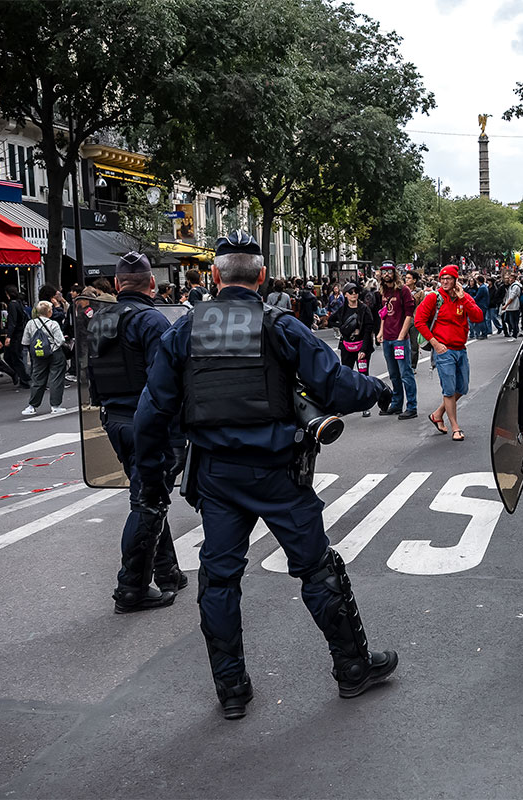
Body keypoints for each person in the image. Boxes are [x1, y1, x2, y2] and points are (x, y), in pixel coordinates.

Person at [133, 231, 397, 720]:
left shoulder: (184, 330)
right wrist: (376, 391)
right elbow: (334, 383)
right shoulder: (281, 325)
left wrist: (151, 477)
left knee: (218, 580)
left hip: (215, 478)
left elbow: (152, 411)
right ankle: (352, 667)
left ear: (213, 276)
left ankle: (231, 689)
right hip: (278, 474)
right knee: (318, 568)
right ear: (261, 276)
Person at [87, 253, 188, 614]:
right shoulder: (151, 320)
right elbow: (168, 384)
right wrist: (178, 437)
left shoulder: (100, 319)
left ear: (116, 285)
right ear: (151, 285)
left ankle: (167, 571)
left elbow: (91, 378)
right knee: (147, 502)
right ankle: (130, 586)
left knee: (151, 495)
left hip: (113, 420)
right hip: (146, 422)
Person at [415, 264, 482, 441]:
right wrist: (435, 343)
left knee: (463, 387)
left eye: (449, 278)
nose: (445, 281)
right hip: (443, 350)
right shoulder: (433, 298)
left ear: (455, 280)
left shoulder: (464, 297)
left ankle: (437, 414)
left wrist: (464, 299)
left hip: (460, 349)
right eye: (442, 278)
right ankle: (455, 427)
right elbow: (419, 321)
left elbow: (478, 317)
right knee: (449, 390)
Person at [376, 262, 418, 419]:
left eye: (389, 271)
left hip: (400, 339)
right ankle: (396, 404)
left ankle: (412, 406)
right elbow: (383, 314)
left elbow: (409, 314)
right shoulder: (383, 291)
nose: (386, 274)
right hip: (387, 339)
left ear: (395, 273)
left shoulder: (403, 290)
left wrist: (401, 335)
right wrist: (380, 332)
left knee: (405, 374)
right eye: (384, 272)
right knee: (393, 374)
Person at [329, 283, 377, 417]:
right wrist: (344, 327)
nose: (354, 294)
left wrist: (364, 349)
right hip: (347, 346)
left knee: (363, 376)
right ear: (345, 294)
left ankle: (365, 406)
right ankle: (344, 406)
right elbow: (331, 320)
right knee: (345, 376)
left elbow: (368, 329)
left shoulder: (364, 309)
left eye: (356, 291)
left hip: (362, 346)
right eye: (350, 292)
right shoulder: (342, 309)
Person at [20, 300, 68, 415]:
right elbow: (60, 340)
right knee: (56, 378)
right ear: (49, 312)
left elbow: (26, 341)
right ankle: (55, 406)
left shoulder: (30, 324)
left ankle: (32, 406)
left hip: (38, 354)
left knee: (37, 378)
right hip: (55, 353)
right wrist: (52, 348)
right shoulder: (53, 324)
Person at [2, 285, 31, 388]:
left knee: (13, 357)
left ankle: (24, 378)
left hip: (15, 335)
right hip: (19, 332)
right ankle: (23, 377)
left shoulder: (12, 305)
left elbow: (12, 322)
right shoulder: (19, 303)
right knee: (14, 356)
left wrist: (8, 336)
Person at [501, 271, 522, 341]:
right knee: (506, 319)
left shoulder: (515, 286)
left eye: (511, 278)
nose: (510, 279)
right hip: (510, 307)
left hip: (514, 307)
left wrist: (506, 305)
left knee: (513, 321)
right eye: (509, 278)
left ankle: (514, 334)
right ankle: (514, 331)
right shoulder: (511, 285)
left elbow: (512, 297)